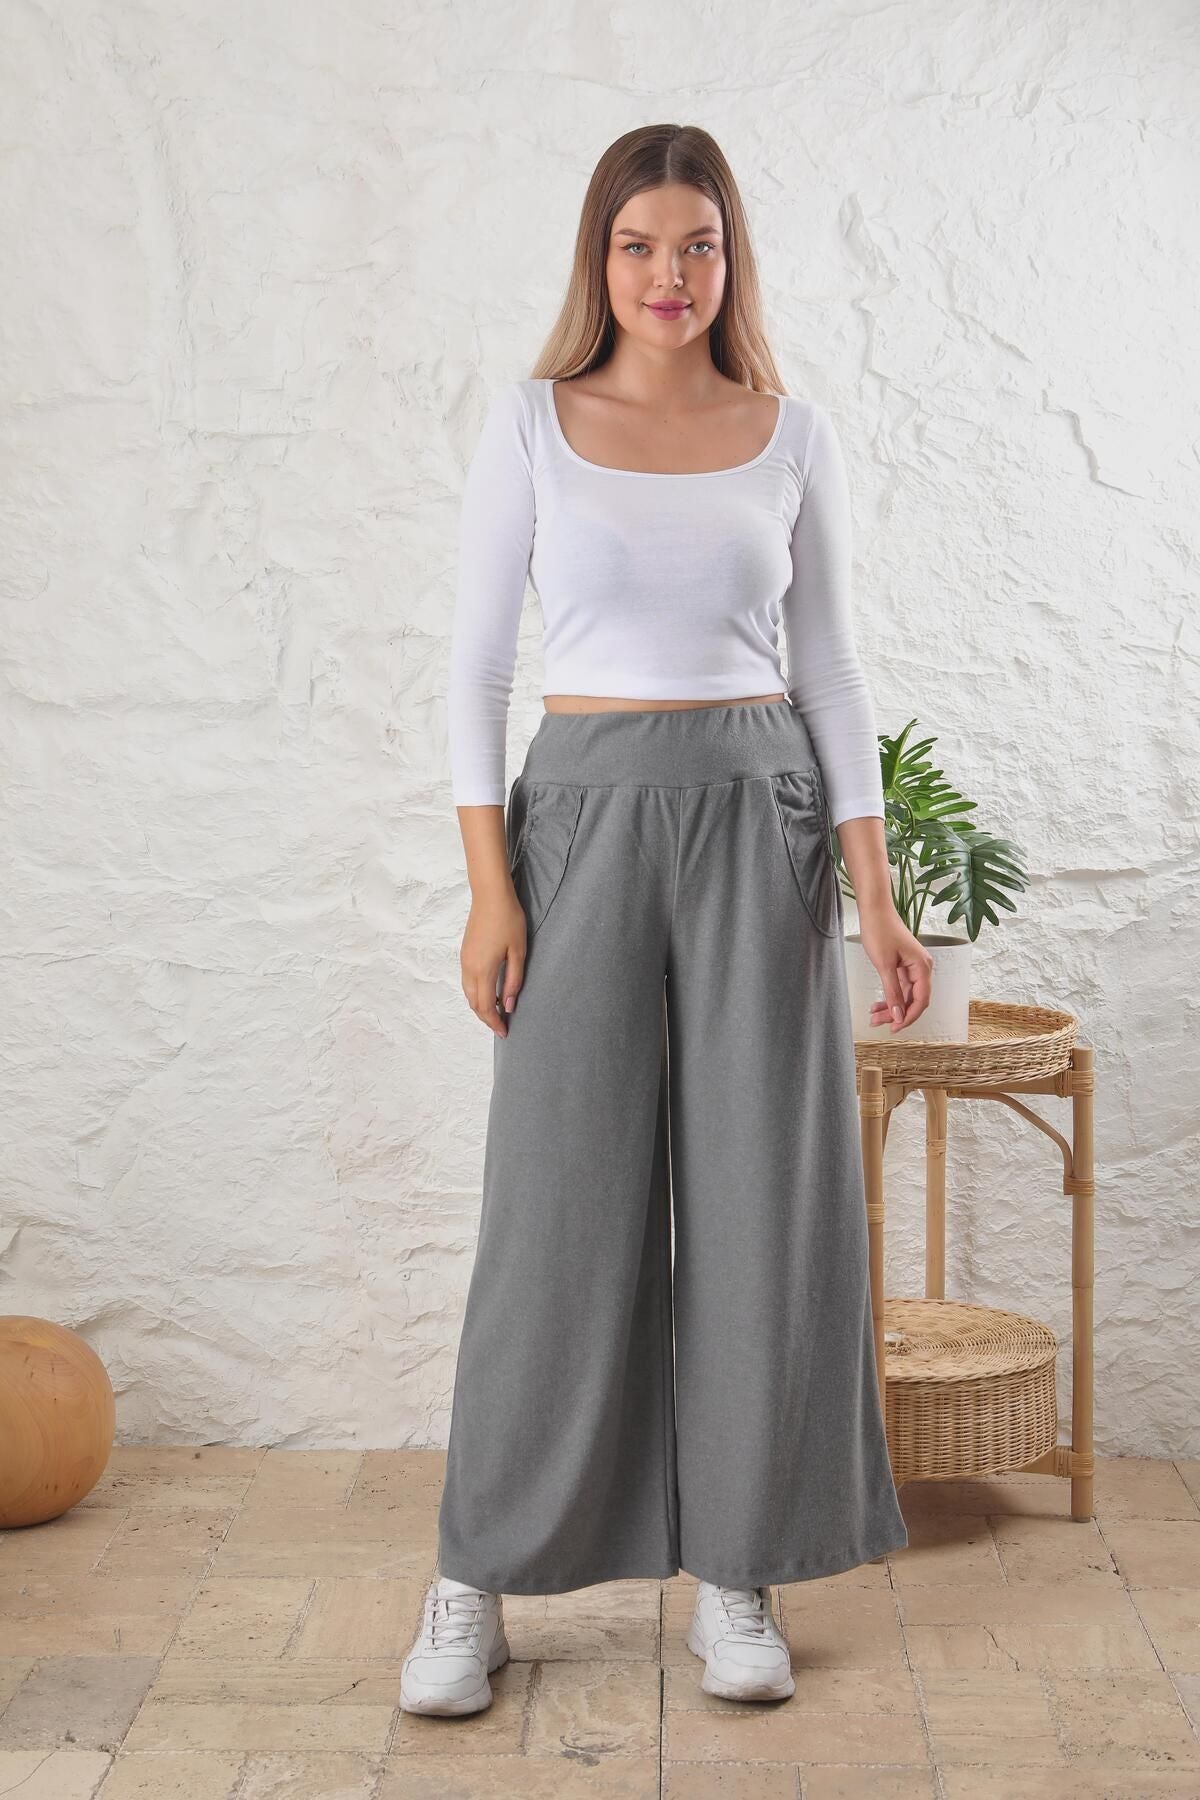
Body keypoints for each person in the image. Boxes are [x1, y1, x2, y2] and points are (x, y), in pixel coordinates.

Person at [401, 122, 933, 1718]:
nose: (669, 274)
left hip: (760, 818)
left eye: (698, 244)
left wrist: (878, 895)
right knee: (554, 1204)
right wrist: (490, 886)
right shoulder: (534, 424)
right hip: (580, 821)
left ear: (729, 259)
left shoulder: (790, 435)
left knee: (767, 1202)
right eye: (639, 244)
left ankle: (740, 1571)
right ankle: (474, 1576)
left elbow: (829, 667)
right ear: (601, 256)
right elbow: (473, 668)